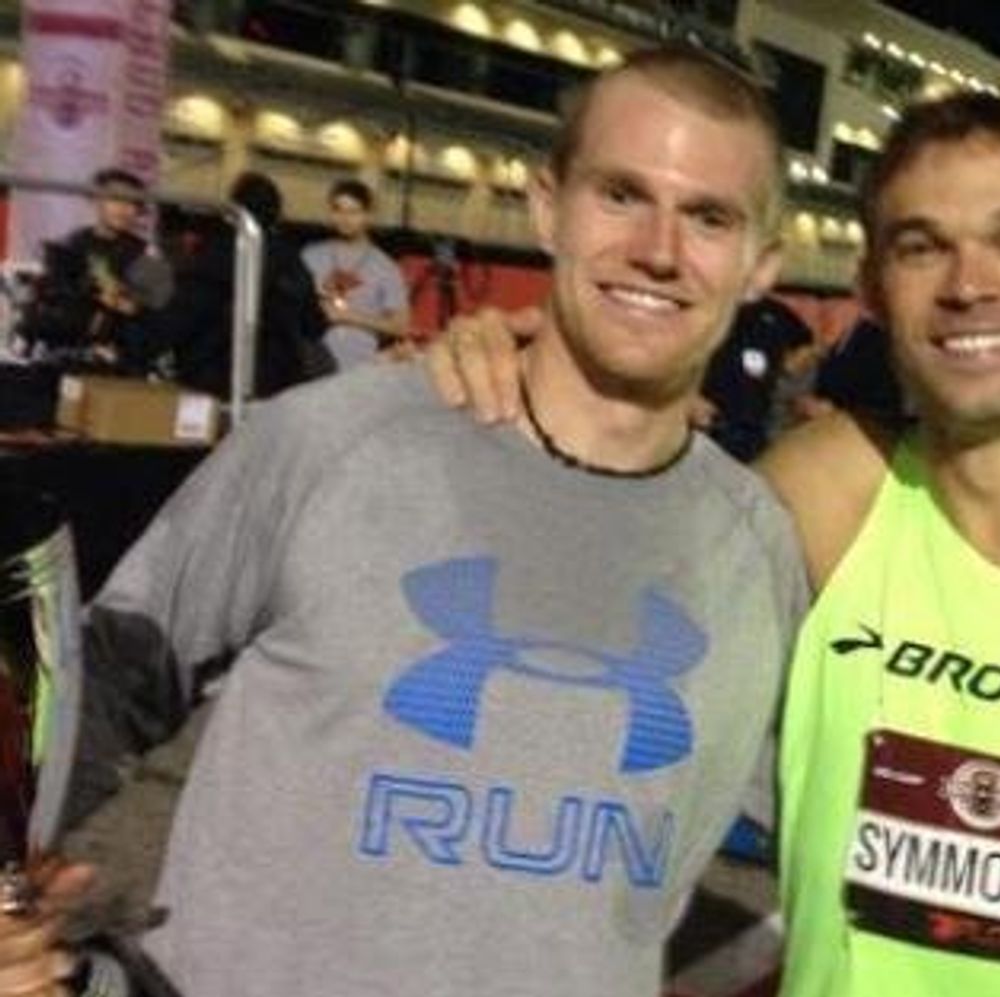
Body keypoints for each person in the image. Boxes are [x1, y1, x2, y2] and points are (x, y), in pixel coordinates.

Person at [423, 92, 1000, 995]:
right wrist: (512, 370)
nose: (969, 282)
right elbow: (588, 557)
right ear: (871, 287)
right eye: (922, 247)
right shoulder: (827, 492)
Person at [0, 46, 804, 997]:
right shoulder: (336, 442)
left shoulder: (756, 546)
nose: (660, 249)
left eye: (709, 216)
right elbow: (103, 686)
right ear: (548, 205)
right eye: (621, 194)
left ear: (763, 263)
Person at [156, 172, 332, 399]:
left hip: (210, 375)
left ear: (233, 211)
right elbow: (314, 324)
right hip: (277, 379)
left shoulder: (213, 254)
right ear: (276, 213)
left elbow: (182, 315)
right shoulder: (289, 259)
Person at [17, 168, 171, 371]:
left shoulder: (148, 257)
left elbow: (157, 319)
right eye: (115, 199)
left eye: (132, 203)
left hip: (119, 362)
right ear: (95, 200)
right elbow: (50, 302)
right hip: (61, 353)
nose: (123, 209)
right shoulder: (69, 246)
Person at [301, 179, 411, 370]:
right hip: (311, 364)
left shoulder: (385, 266)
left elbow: (401, 325)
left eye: (354, 212)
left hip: (359, 368)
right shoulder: (310, 255)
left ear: (368, 215)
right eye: (338, 210)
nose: (345, 218)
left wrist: (348, 316)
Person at [693, 294, 817, 461]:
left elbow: (808, 343)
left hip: (756, 425)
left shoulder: (775, 311)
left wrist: (792, 364)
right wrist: (688, 401)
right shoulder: (706, 305)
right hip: (707, 421)